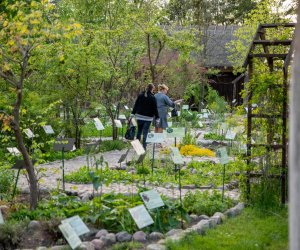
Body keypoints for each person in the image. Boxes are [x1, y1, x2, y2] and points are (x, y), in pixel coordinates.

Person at [131, 83, 159, 149]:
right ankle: (144, 147)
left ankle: (137, 147)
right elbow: (155, 108)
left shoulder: (140, 95)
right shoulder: (153, 97)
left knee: (139, 131)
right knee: (145, 132)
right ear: (152, 89)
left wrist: (132, 113)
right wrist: (157, 117)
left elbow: (136, 104)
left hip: (139, 116)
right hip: (148, 118)